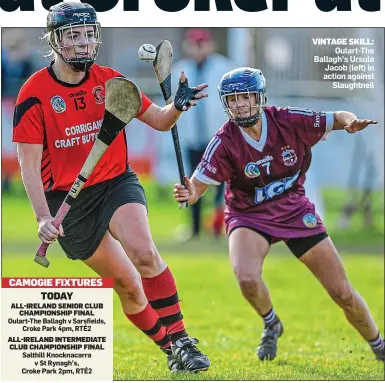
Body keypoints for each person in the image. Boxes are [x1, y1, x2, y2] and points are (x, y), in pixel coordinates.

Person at [12, 2, 210, 373]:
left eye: (88, 34)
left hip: (116, 182)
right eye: (73, 35)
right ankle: (171, 349)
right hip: (66, 201)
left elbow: (160, 121)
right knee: (128, 286)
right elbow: (27, 165)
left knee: (144, 253)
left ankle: (183, 339)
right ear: (55, 41)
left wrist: (178, 107)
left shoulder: (113, 81)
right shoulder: (34, 93)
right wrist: (42, 217)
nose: (83, 43)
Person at [173, 67, 384, 363]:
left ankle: (379, 346)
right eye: (233, 99)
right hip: (249, 216)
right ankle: (271, 323)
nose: (240, 104)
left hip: (295, 211)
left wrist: (350, 123)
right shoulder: (224, 141)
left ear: (259, 97)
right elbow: (197, 186)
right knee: (246, 277)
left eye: (246, 97)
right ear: (226, 104)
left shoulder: (287, 119)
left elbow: (337, 117)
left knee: (342, 292)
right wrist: (189, 193)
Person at [172, 28, 234, 239]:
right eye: (194, 44)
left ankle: (219, 226)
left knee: (219, 185)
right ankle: (196, 228)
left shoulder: (223, 68)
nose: (199, 49)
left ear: (210, 45)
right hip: (192, 138)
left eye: (202, 44)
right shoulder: (180, 70)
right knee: (192, 182)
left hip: (216, 137)